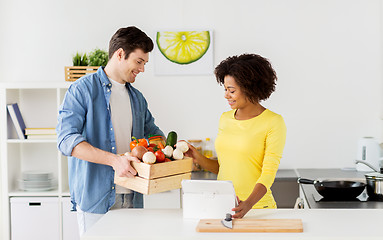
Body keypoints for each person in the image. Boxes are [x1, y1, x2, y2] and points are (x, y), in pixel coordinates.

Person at [56, 26, 164, 236]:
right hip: (96, 199)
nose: (142, 69)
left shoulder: (137, 98)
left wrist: (177, 149)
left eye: (144, 63)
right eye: (139, 62)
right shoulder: (82, 90)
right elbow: (66, 140)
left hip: (133, 196)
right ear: (120, 54)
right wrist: (114, 160)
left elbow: (155, 136)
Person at [185, 53, 286, 218]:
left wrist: (248, 204)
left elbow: (268, 174)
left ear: (250, 88)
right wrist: (197, 157)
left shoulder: (273, 122)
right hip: (224, 206)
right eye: (225, 89)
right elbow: (223, 168)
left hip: (259, 209)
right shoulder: (225, 118)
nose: (226, 95)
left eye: (231, 90)